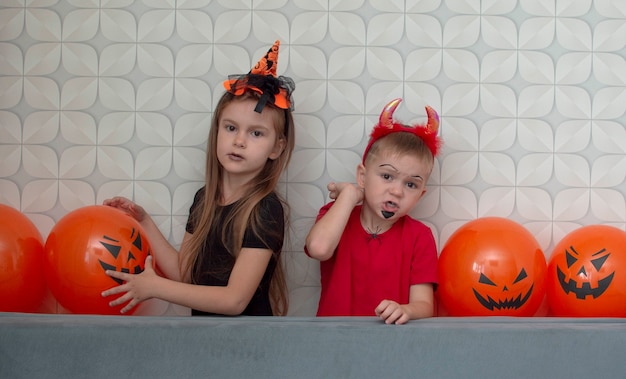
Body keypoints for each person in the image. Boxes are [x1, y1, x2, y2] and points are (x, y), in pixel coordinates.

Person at [101, 40, 295, 316]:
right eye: (231, 128)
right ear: (217, 131)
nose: (239, 141)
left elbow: (234, 301)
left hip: (250, 349)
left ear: (277, 147)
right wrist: (143, 222)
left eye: (256, 133)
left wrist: (155, 287)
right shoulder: (204, 199)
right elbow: (186, 274)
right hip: (204, 341)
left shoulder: (265, 209)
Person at [305, 98, 441, 324]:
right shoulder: (337, 213)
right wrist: (350, 195)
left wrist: (406, 310)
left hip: (392, 347)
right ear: (362, 176)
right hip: (333, 342)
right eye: (387, 176)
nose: (397, 191)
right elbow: (319, 248)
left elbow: (425, 305)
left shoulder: (420, 236)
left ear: (420, 195)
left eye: (411, 184)